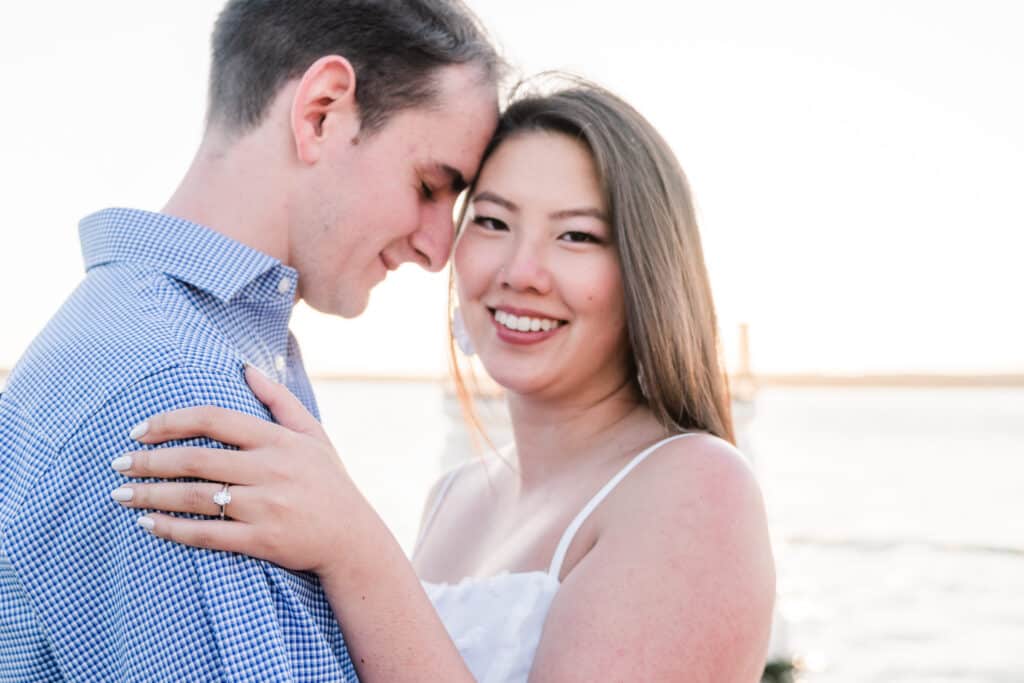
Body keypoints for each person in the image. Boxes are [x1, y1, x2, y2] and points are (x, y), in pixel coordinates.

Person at [112, 80, 777, 681]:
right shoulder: (456, 496)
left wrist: (354, 544)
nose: (520, 270)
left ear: (645, 273)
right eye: (491, 221)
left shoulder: (696, 487)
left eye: (575, 236)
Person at [0, 1, 500, 680]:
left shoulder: (155, 340)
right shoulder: (183, 394)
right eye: (429, 185)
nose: (438, 248)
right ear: (321, 111)